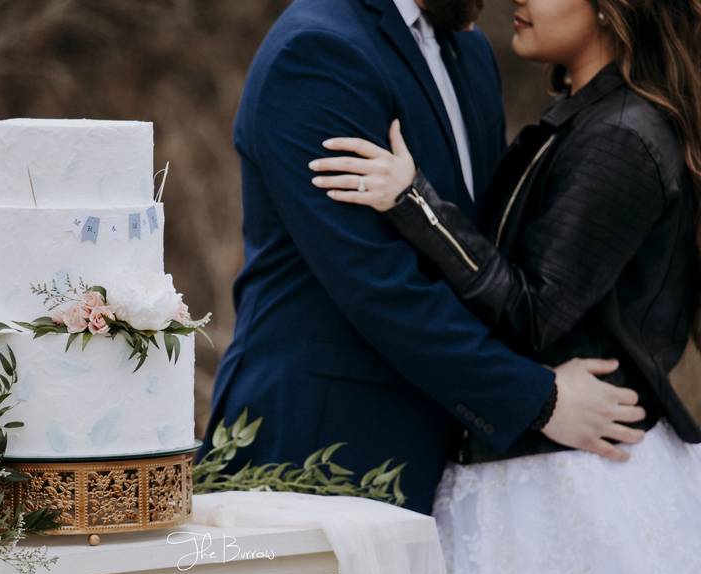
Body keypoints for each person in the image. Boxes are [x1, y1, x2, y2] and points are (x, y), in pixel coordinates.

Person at [310, 0, 701, 574]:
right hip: (544, 468)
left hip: (579, 484)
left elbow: (535, 313)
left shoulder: (623, 135)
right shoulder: (587, 120)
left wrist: (416, 204)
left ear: (610, 9)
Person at [198, 0, 643, 515]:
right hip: (318, 444)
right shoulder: (319, 51)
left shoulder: (470, 51)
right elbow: (376, 281)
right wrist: (535, 399)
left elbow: (477, 250)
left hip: (444, 448)